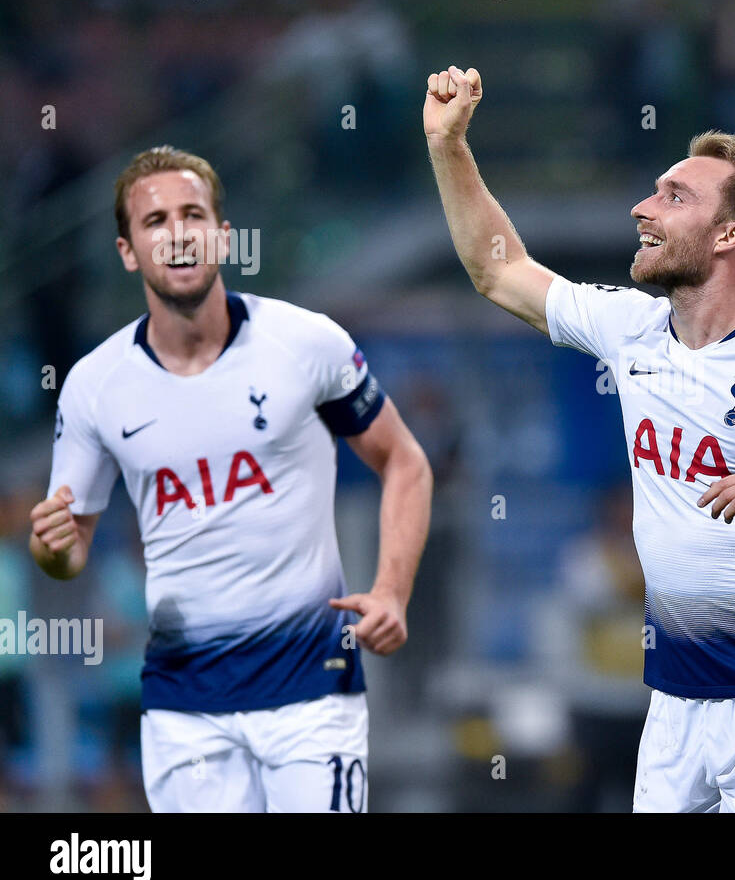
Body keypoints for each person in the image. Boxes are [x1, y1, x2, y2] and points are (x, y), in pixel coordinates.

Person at [424, 65, 735, 813]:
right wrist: (449, 146)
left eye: (673, 197)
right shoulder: (630, 328)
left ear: (730, 234)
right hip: (673, 702)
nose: (642, 208)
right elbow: (497, 272)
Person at [27, 146, 433, 812]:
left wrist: (391, 589)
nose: (178, 232)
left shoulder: (306, 344)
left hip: (311, 688)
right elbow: (68, 550)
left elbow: (405, 460)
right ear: (128, 251)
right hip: (184, 707)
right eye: (155, 221)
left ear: (222, 234)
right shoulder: (93, 386)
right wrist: (50, 543)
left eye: (194, 214)